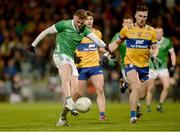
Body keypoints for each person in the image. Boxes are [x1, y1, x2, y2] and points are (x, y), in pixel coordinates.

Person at [27, 9, 106, 126]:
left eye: (81, 23)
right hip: (59, 55)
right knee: (66, 75)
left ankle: (62, 118)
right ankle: (69, 101)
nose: (79, 25)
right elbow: (46, 32)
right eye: (78, 22)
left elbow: (97, 41)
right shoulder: (63, 24)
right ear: (74, 17)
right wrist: (33, 44)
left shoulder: (84, 30)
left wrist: (108, 48)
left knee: (76, 91)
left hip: (70, 59)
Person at [108, 5, 159, 123]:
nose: (142, 18)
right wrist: (108, 53)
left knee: (142, 95)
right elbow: (117, 42)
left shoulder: (151, 31)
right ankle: (133, 115)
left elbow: (155, 48)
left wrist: (155, 56)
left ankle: (126, 85)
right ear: (135, 15)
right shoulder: (127, 29)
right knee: (135, 87)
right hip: (130, 64)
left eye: (145, 16)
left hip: (144, 66)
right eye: (140, 16)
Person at [74, 10, 107, 121]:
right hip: (81, 66)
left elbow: (99, 47)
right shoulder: (77, 33)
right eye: (87, 19)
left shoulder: (97, 33)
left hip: (95, 66)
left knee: (100, 89)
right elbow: (71, 47)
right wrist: (74, 55)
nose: (89, 21)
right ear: (83, 20)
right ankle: (68, 110)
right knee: (77, 93)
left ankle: (102, 115)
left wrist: (107, 53)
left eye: (91, 19)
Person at [146, 26, 176, 113]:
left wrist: (173, 65)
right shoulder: (151, 41)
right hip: (152, 67)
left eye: (160, 32)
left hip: (163, 67)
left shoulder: (167, 41)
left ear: (162, 33)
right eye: (157, 32)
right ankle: (148, 106)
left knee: (167, 86)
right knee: (149, 88)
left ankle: (160, 104)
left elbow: (172, 53)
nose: (158, 34)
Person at [110, 15, 133, 94]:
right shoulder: (117, 36)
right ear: (122, 24)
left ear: (133, 24)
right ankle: (137, 105)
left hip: (139, 64)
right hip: (125, 64)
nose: (128, 24)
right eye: (126, 22)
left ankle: (124, 82)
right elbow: (111, 47)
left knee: (139, 89)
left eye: (130, 22)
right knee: (132, 87)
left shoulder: (137, 34)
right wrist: (111, 57)